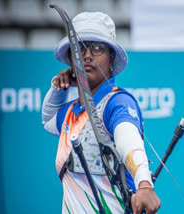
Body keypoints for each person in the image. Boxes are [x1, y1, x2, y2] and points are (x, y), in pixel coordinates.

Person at [42, 11, 161, 214]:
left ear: (111, 58)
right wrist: (58, 86)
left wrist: (144, 183)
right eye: (79, 48)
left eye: (97, 48)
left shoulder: (116, 103)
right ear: (71, 59)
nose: (87, 55)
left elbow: (128, 140)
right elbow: (48, 119)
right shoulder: (72, 112)